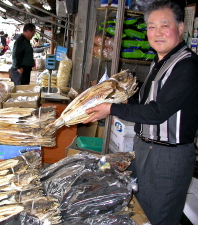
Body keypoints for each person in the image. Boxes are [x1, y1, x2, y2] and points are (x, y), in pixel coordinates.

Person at [83, 1, 198, 224]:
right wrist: (114, 95)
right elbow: (144, 101)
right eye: (151, 27)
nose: (157, 33)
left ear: (181, 28)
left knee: (158, 216)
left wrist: (111, 109)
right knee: (140, 210)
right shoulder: (160, 61)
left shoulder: (187, 66)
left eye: (164, 26)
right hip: (146, 150)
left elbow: (157, 112)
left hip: (168, 157)